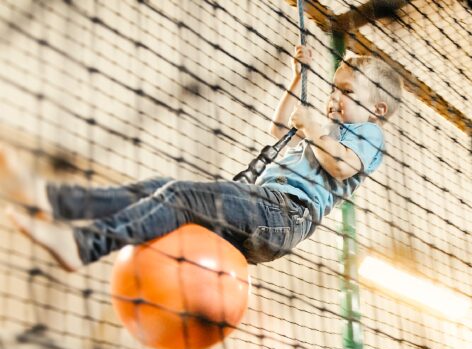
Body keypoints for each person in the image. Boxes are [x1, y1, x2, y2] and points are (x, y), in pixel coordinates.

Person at [2, 46, 402, 272]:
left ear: (378, 109)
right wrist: (298, 80)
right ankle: (51, 200)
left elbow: (342, 165)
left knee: (181, 196)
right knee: (156, 189)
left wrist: (316, 128)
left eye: (347, 92)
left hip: (285, 217)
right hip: (259, 206)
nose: (334, 98)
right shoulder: (324, 129)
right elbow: (279, 129)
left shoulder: (368, 135)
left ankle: (82, 245)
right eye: (334, 88)